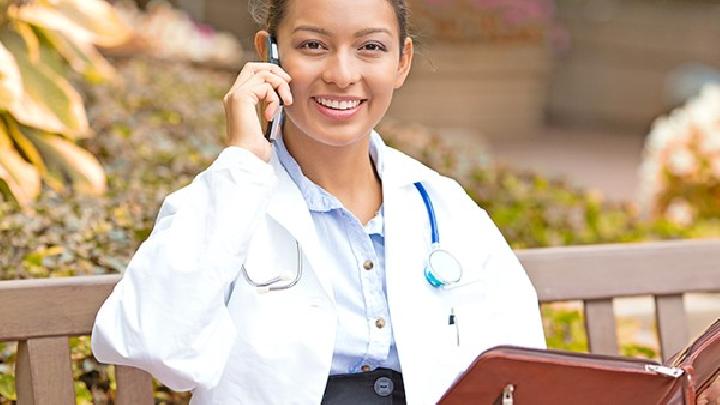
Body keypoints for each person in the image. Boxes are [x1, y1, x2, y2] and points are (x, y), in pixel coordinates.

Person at [91, 0, 546, 403]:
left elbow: (524, 368)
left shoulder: (443, 206)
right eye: (313, 46)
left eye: (370, 47)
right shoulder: (227, 199)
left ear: (402, 61)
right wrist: (243, 163)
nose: (342, 75)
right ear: (269, 53)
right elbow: (150, 342)